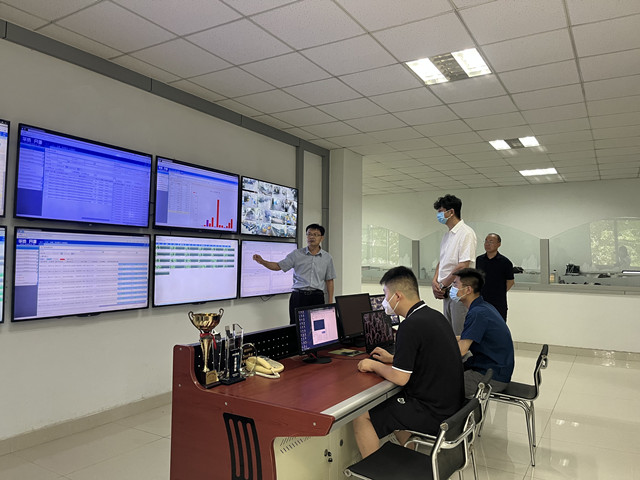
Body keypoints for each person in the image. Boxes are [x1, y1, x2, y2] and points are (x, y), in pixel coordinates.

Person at [353, 266, 464, 458]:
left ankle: (372, 468)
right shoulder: (434, 316)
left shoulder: (410, 325)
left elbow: (400, 377)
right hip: (453, 409)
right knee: (397, 403)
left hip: (434, 413)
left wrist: (373, 365)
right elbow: (426, 355)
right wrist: (393, 359)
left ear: (397, 296)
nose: (384, 301)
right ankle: (409, 457)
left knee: (361, 415)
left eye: (385, 295)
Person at [253, 223, 336, 325]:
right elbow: (278, 266)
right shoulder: (296, 254)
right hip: (298, 297)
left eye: (315, 234)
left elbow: (329, 280)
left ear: (321, 238)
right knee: (295, 326)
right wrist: (262, 261)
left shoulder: (327, 258)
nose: (311, 237)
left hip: (317, 297)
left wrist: (330, 302)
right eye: (309, 234)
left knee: (317, 326)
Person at [451, 268, 515, 398]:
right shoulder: (483, 307)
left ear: (468, 290)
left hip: (491, 376)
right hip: (494, 369)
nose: (452, 288)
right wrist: (444, 338)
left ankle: (462, 411)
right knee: (448, 372)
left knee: (439, 385)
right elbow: (467, 336)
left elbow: (461, 350)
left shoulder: (477, 313)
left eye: (455, 284)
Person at [432, 194, 477, 336]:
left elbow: (463, 265)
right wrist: (435, 281)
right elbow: (442, 261)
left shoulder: (466, 233)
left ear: (451, 212)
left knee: (460, 334)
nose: (438, 215)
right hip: (446, 291)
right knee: (449, 333)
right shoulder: (447, 236)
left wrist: (443, 284)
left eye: (441, 211)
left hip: (459, 290)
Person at [476, 233, 515, 322]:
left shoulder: (505, 262)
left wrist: (499, 292)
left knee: (498, 325)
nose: (487, 244)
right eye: (486, 241)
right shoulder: (479, 260)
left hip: (498, 302)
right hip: (481, 300)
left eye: (491, 242)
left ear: (499, 244)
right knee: (481, 324)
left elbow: (510, 281)